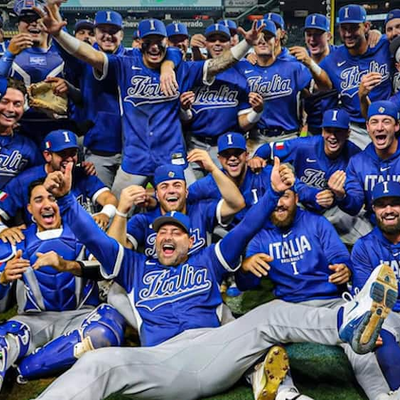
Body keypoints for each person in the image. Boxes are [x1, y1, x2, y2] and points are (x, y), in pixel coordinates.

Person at [31, 157, 397, 400]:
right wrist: (66, 202)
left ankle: (347, 322)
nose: (167, 236)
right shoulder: (135, 266)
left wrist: (272, 193)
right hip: (160, 361)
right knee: (97, 363)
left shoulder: (206, 260)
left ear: (190, 241)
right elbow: (96, 241)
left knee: (271, 313)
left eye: (176, 232)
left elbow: (247, 227)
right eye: (161, 232)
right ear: (153, 240)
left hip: (217, 349)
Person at [38, 2, 264, 196]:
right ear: (139, 43)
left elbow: (217, 64)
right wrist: (59, 34)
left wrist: (246, 44)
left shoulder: (181, 68)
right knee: (117, 211)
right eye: (149, 41)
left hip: (172, 156)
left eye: (159, 41)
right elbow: (91, 55)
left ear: (166, 43)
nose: (154, 47)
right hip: (134, 159)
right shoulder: (124, 65)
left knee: (191, 201)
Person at [236, 185, 395, 400]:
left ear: (296, 198)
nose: (279, 203)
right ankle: (285, 393)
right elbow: (246, 283)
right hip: (289, 307)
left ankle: (381, 396)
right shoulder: (260, 237)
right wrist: (245, 268)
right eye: (274, 198)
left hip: (330, 301)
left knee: (357, 339)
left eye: (285, 196)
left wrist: (344, 269)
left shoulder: (316, 223)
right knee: (260, 334)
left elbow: (340, 258)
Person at [0, 179, 125, 389]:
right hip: (32, 321)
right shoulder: (15, 242)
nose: (47, 205)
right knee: (2, 341)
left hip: (81, 316)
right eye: (39, 200)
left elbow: (110, 270)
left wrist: (67, 265)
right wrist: (3, 278)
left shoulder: (86, 234)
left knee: (104, 331)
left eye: (52, 198)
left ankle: (23, 369)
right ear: (29, 209)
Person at [251, 108, 369, 244]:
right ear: (322, 131)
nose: (333, 136)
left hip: (336, 211)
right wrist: (257, 157)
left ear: (348, 133)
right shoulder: (305, 145)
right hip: (302, 206)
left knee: (366, 234)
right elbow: (268, 149)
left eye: (338, 131)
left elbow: (355, 206)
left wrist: (340, 196)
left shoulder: (355, 156)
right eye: (328, 130)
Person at [107, 149, 245, 256]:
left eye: (177, 185)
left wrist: (213, 169)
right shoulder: (142, 221)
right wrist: (121, 212)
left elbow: (237, 204)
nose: (171, 191)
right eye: (164, 186)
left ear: (186, 192)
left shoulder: (202, 210)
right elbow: (113, 254)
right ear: (157, 195)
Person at [0, 129, 117, 241]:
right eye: (62, 154)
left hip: (80, 239)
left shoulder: (83, 174)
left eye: (73, 153)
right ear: (48, 155)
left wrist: (105, 214)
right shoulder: (24, 180)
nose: (69, 159)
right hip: (41, 242)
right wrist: (2, 229)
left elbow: (109, 198)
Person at [57, 10, 127, 188]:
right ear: (95, 34)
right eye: (102, 30)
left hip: (131, 150)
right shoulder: (83, 60)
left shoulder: (133, 59)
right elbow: (65, 49)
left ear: (122, 35)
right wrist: (56, 30)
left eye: (113, 31)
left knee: (130, 201)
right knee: (100, 200)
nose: (108, 36)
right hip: (98, 148)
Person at [180, 23, 263, 170]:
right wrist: (184, 109)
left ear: (231, 43)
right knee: (193, 185)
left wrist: (257, 111)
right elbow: (185, 121)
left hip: (227, 148)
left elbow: (243, 122)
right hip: (195, 145)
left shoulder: (240, 75)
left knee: (226, 185)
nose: (217, 43)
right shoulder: (193, 71)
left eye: (222, 40)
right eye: (212, 40)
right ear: (205, 43)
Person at [313, 4, 392, 149]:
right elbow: (312, 84)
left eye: (354, 28)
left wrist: (379, 33)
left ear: (366, 26)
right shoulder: (331, 60)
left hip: (388, 125)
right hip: (355, 130)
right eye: (344, 28)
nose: (348, 33)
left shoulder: (384, 45)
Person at [0, 0, 75, 144]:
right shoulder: (4, 50)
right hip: (15, 128)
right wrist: (9, 55)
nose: (34, 23)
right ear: (18, 25)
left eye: (39, 19)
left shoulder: (64, 53)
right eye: (27, 19)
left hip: (58, 128)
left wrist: (69, 88)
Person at [352, 180, 400, 396]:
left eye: (394, 203)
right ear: (373, 209)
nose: (388, 210)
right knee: (379, 330)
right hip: (388, 312)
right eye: (382, 205)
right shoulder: (364, 246)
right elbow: (367, 297)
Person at [236, 20, 312, 147]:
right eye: (258, 37)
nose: (262, 41)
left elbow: (315, 93)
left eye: (267, 37)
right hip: (256, 137)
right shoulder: (242, 68)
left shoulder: (293, 67)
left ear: (276, 41)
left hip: (288, 136)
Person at [330, 101, 400, 226]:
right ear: (367, 127)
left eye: (386, 122)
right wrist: (342, 195)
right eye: (374, 122)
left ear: (397, 126)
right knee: (335, 223)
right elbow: (354, 207)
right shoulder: (357, 162)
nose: (379, 128)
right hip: (374, 224)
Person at [187, 132, 272, 229]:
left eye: (237, 153)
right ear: (219, 158)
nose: (232, 158)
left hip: (266, 232)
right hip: (232, 236)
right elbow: (183, 200)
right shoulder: (209, 183)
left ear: (246, 155)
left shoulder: (262, 173)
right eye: (226, 154)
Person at [0, 77, 43, 189]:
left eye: (17, 104)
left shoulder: (29, 147)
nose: (10, 109)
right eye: (4, 102)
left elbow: (37, 185)